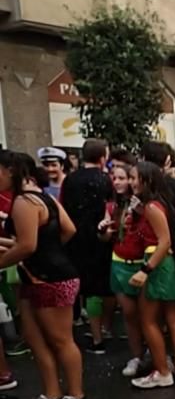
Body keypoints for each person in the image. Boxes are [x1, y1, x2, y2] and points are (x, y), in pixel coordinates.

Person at [0, 151, 87, 399]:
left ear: (10, 171)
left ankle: (76, 394)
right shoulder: (43, 196)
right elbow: (68, 229)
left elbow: (28, 245)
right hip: (39, 276)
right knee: (34, 337)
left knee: (61, 339)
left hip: (51, 278)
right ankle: (51, 393)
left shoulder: (24, 201)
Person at [128, 162, 175, 389]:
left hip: (158, 265)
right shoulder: (159, 204)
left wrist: (145, 271)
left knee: (149, 320)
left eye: (135, 178)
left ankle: (163, 371)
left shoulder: (152, 207)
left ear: (147, 180)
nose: (131, 182)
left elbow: (164, 241)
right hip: (168, 265)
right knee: (172, 317)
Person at [60, 138, 114, 354]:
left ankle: (97, 338)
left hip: (77, 239)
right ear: (102, 157)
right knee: (106, 285)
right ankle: (107, 327)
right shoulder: (105, 180)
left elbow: (64, 208)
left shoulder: (70, 180)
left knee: (89, 289)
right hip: (103, 235)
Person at [99, 164, 146, 377]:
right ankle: (136, 356)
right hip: (118, 262)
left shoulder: (144, 204)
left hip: (142, 263)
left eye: (122, 178)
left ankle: (158, 355)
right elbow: (106, 239)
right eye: (114, 178)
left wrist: (140, 213)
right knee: (129, 314)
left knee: (150, 316)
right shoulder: (111, 206)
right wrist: (103, 231)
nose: (116, 182)